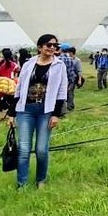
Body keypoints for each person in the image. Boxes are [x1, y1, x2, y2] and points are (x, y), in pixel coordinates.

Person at [8, 34, 67, 189]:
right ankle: (22, 183)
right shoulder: (29, 64)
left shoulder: (59, 65)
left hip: (45, 111)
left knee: (41, 149)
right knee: (24, 149)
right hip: (25, 110)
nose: (52, 48)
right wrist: (12, 113)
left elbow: (61, 92)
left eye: (55, 45)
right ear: (40, 47)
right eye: (49, 45)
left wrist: (56, 114)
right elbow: (19, 88)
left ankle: (41, 180)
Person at [57, 46, 82, 112]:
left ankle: (67, 107)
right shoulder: (70, 59)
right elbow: (71, 70)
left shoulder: (58, 59)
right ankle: (69, 107)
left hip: (63, 79)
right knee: (69, 92)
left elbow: (79, 70)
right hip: (71, 78)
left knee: (65, 93)